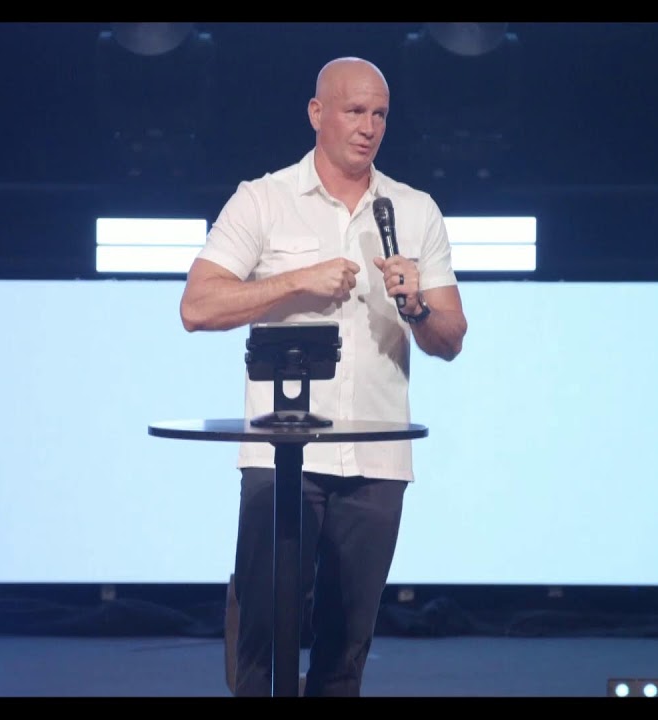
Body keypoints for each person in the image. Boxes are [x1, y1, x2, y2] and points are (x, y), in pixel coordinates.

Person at [179, 56, 468, 697]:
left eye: (380, 114)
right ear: (317, 113)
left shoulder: (414, 210)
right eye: (354, 111)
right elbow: (197, 307)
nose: (368, 127)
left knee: (346, 647)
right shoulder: (263, 199)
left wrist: (417, 306)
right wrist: (297, 281)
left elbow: (451, 338)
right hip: (281, 452)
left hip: (377, 457)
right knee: (261, 636)